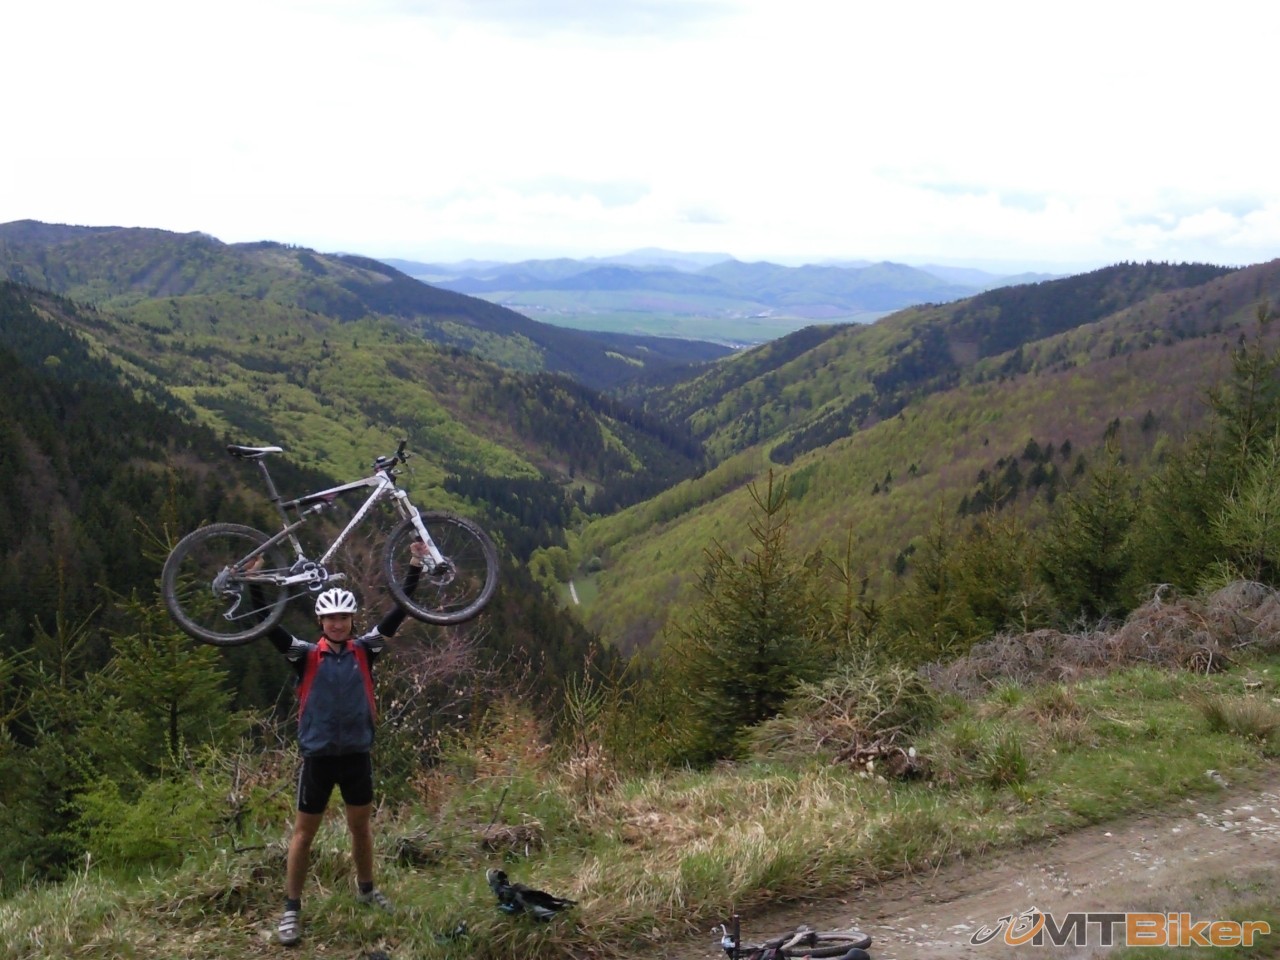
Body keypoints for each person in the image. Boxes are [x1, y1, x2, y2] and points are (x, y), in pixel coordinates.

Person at [255, 543, 427, 947]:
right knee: (303, 835)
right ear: (321, 620)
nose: (337, 624)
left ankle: (366, 890)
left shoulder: (365, 650)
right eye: (331, 618)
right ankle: (291, 909)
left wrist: (416, 564)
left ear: (351, 620)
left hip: (356, 756)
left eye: (343, 617)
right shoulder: (303, 655)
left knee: (360, 829)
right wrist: (254, 580)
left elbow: (400, 611)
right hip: (318, 758)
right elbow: (265, 623)